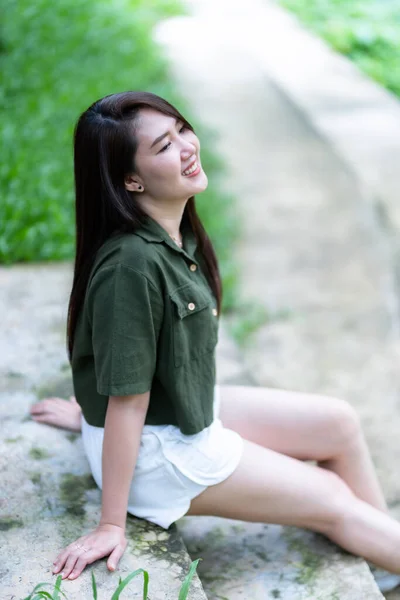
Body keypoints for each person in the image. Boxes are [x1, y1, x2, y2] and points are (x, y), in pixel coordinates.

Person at [30, 91, 400, 593]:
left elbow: (126, 376)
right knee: (332, 497)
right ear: (130, 180)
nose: (187, 146)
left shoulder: (171, 235)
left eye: (182, 129)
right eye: (163, 145)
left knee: (338, 421)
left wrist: (85, 415)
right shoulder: (131, 267)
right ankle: (375, 539)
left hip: (179, 414)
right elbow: (128, 399)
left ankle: (382, 551)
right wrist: (111, 523)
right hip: (159, 453)